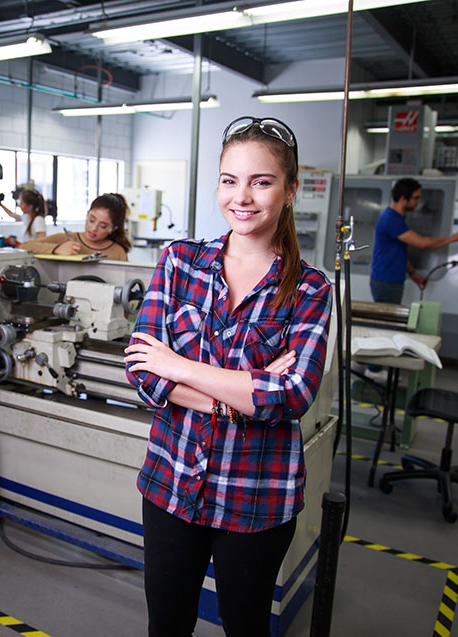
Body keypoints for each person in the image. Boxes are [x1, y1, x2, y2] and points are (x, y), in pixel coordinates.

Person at [123, 116, 332, 637]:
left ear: (290, 191)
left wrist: (180, 367)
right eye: (229, 180)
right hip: (171, 484)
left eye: (261, 181)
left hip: (257, 495)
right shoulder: (179, 262)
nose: (242, 197)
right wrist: (237, 393)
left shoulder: (309, 290)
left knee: (246, 626)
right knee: (166, 625)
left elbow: (291, 395)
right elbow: (142, 371)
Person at [366, 177, 458, 380]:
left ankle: (370, 364)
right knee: (384, 325)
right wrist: (454, 237)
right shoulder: (391, 219)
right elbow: (422, 244)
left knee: (386, 323)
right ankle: (373, 368)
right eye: (415, 198)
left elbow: (399, 250)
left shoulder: (397, 218)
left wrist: (412, 273)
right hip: (386, 280)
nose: (418, 202)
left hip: (392, 278)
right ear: (403, 198)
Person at [21, 193, 131, 261]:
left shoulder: (118, 252)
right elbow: (24, 246)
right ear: (87, 214)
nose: (93, 228)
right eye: (91, 220)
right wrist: (56, 249)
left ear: (113, 229)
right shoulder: (66, 239)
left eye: (102, 226)